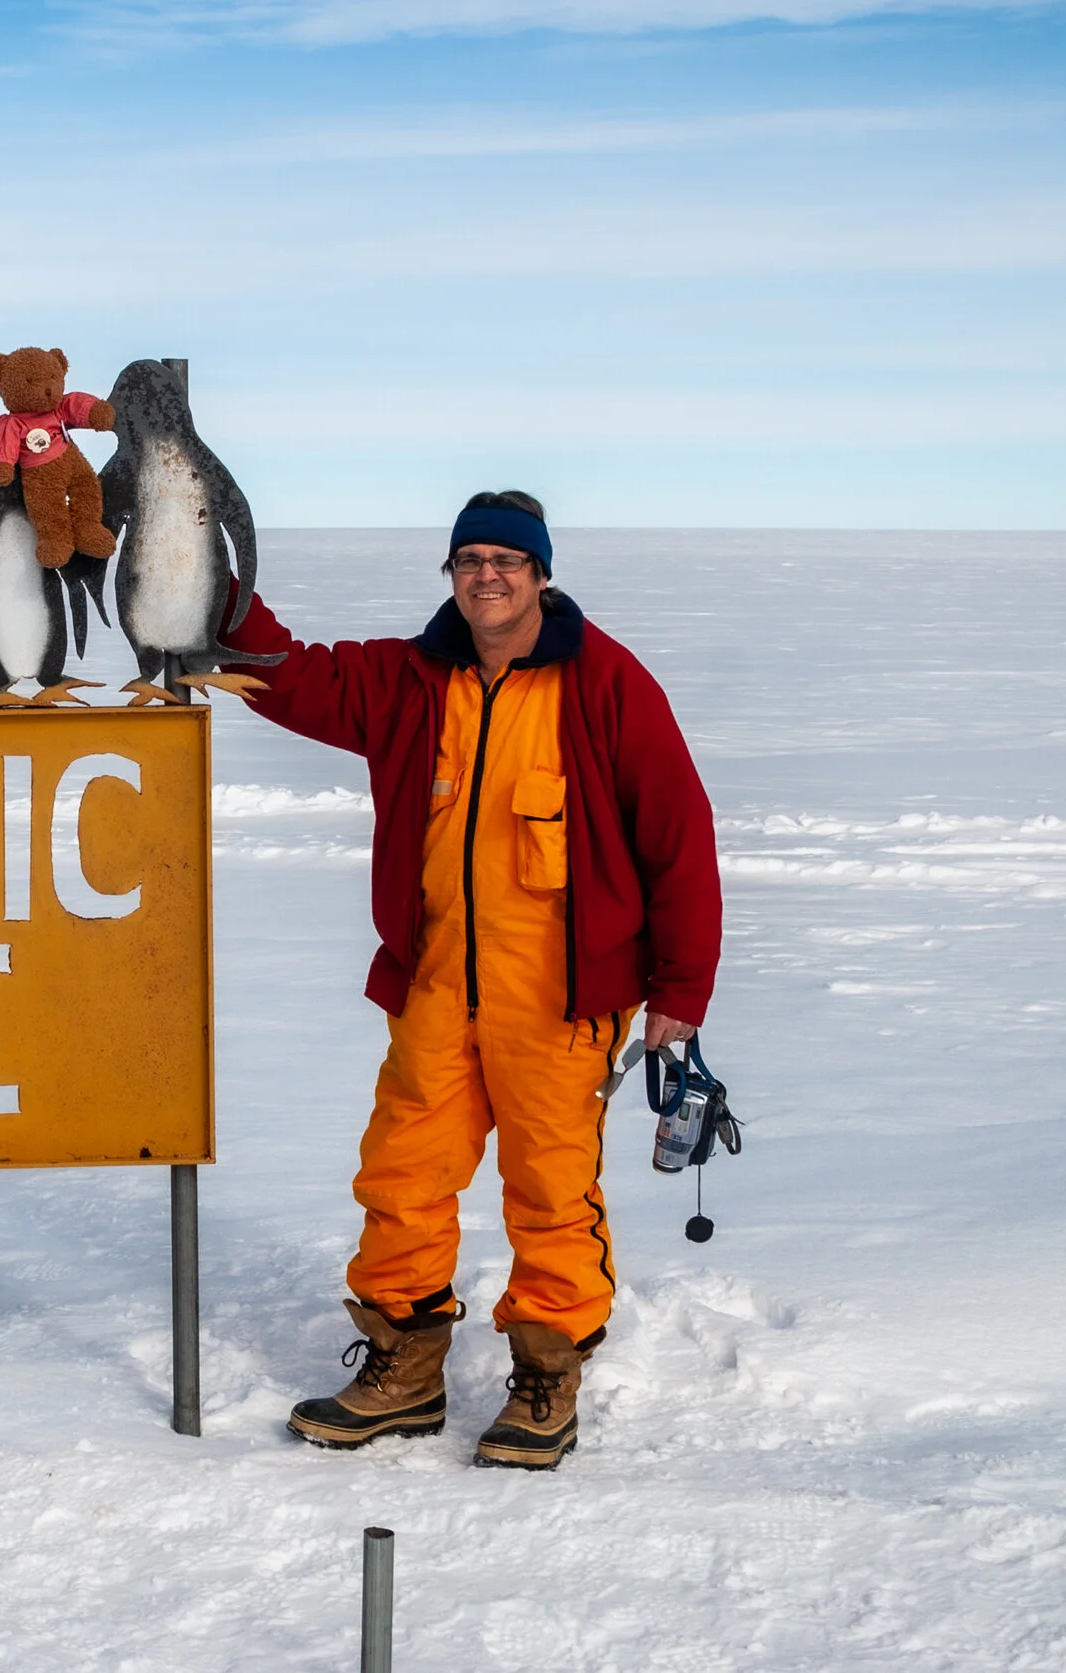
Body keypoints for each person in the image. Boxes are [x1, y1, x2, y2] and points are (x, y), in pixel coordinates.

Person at [219, 490, 721, 1470]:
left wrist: (679, 991)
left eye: (505, 559)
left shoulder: (606, 685)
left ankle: (544, 1379)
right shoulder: (412, 679)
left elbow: (678, 836)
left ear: (539, 575)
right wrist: (214, 585)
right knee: (402, 1173)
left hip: (559, 993)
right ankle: (403, 1371)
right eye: (468, 559)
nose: (485, 575)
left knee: (549, 1189)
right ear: (450, 574)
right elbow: (291, 679)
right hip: (438, 983)